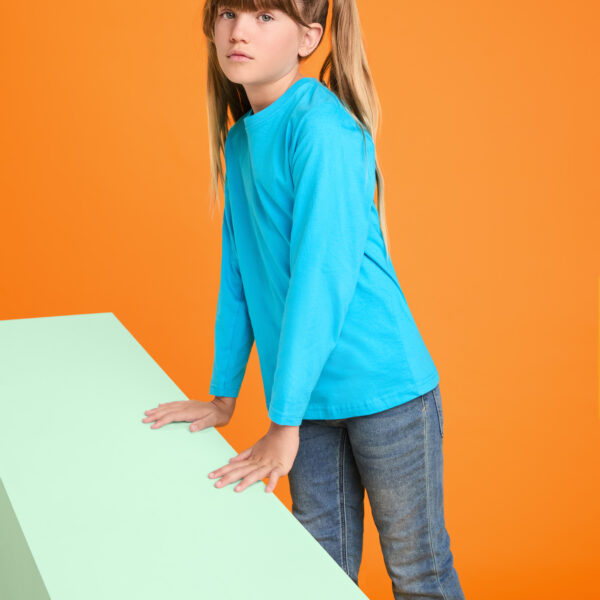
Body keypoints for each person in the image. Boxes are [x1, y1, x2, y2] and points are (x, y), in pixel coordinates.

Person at [142, 1, 466, 598]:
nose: (239, 30)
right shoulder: (240, 143)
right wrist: (222, 397)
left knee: (418, 572)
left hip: (385, 391)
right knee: (318, 574)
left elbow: (320, 280)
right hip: (305, 402)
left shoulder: (321, 130)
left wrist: (283, 422)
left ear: (308, 38)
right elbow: (239, 276)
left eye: (266, 16)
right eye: (229, 12)